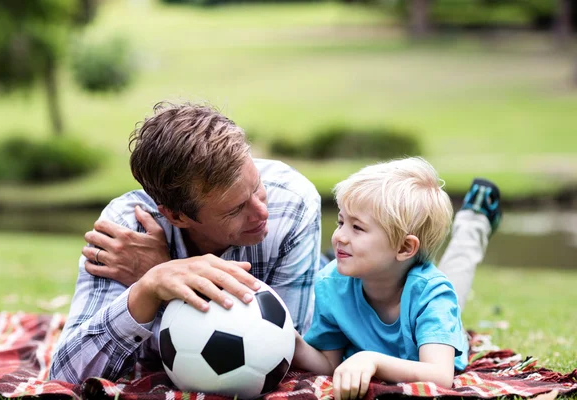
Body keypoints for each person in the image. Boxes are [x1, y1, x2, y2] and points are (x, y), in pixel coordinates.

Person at [50, 102, 499, 385]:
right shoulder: (126, 230)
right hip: (347, 279)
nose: (262, 213)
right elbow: (67, 375)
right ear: (176, 215)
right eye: (234, 211)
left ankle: (473, 222)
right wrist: (150, 287)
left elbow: (279, 351)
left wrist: (163, 269)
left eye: (257, 189)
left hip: (399, 281)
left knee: (443, 284)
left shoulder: (291, 203)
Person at [291, 157, 502, 400]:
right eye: (341, 222)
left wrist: (371, 360)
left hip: (422, 292)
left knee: (455, 281)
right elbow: (329, 364)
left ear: (403, 247)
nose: (339, 236)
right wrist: (294, 344)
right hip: (405, 282)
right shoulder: (331, 285)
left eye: (357, 227)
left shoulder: (434, 295)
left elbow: (440, 375)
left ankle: (475, 220)